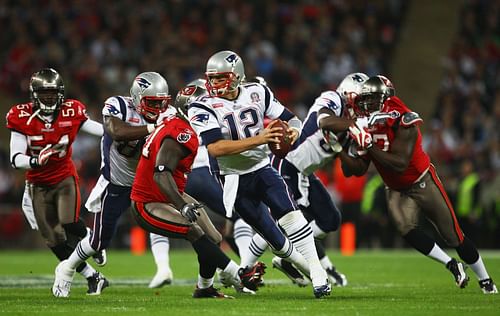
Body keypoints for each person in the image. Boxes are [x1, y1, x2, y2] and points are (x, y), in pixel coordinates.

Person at [337, 75, 498, 294]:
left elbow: (401, 163)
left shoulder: (404, 118)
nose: (368, 104)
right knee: (406, 228)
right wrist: (340, 150)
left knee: (453, 235)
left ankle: (486, 280)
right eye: (366, 98)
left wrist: (369, 146)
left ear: (386, 98)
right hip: (394, 187)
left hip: (421, 180)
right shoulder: (366, 122)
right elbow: (355, 170)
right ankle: (451, 264)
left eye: (374, 98)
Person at [188, 50, 330, 298]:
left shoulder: (258, 92)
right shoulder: (201, 105)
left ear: (236, 76)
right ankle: (302, 267)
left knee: (290, 215)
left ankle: (318, 273)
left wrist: (293, 134)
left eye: (220, 78)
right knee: (274, 239)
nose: (213, 84)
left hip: (262, 169)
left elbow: (292, 119)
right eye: (211, 78)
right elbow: (216, 148)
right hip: (232, 178)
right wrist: (260, 139)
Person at [130, 85, 266, 299]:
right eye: (207, 105)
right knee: (194, 230)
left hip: (170, 193)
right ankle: (237, 274)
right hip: (149, 201)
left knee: (213, 237)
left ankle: (204, 288)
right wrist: (182, 205)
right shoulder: (183, 132)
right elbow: (160, 174)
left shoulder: (179, 122)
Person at [51, 72, 175, 297]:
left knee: (164, 222)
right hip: (117, 184)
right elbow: (116, 132)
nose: (158, 109)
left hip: (147, 183)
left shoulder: (168, 114)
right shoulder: (118, 105)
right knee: (99, 240)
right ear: (137, 98)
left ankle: (170, 271)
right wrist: (153, 128)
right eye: (152, 103)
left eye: (162, 103)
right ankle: (67, 268)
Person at [246, 73, 369, 287]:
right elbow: (323, 119)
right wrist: (352, 126)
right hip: (288, 162)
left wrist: (343, 149)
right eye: (361, 99)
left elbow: (352, 170)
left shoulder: (357, 123)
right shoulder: (334, 100)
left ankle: (289, 259)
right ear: (348, 94)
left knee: (330, 219)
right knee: (284, 223)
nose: (364, 105)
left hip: (304, 172)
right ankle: (244, 269)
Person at [6, 68, 107, 296]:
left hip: (63, 178)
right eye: (44, 93)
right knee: (53, 239)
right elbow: (15, 158)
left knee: (69, 221)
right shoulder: (21, 116)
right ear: (34, 94)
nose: (49, 98)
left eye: (53, 93)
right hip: (37, 184)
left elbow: (100, 131)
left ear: (60, 93)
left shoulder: (72, 110)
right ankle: (93, 276)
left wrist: (120, 133)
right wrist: (34, 160)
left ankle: (93, 239)